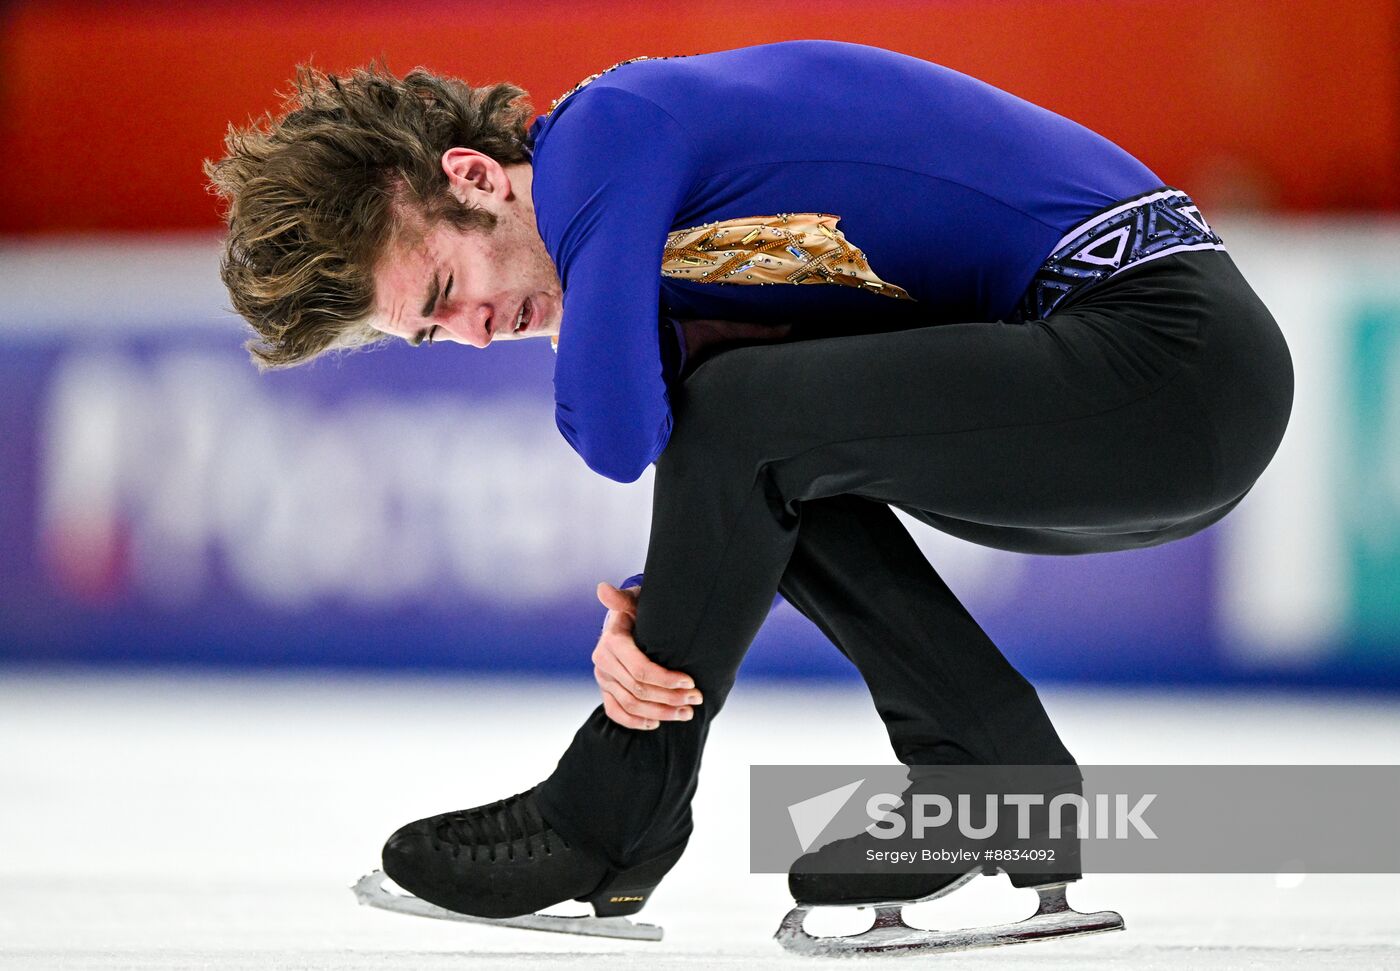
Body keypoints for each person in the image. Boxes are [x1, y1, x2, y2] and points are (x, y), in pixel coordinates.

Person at [205, 40, 1294, 950]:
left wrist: (670, 579)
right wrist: (653, 609)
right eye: (433, 332)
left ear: (478, 177)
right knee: (758, 434)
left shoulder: (603, 133)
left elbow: (620, 432)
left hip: (1169, 354)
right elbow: (731, 486)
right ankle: (994, 785)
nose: (474, 331)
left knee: (736, 414)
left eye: (449, 289)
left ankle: (610, 812)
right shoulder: (666, 268)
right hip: (1121, 418)